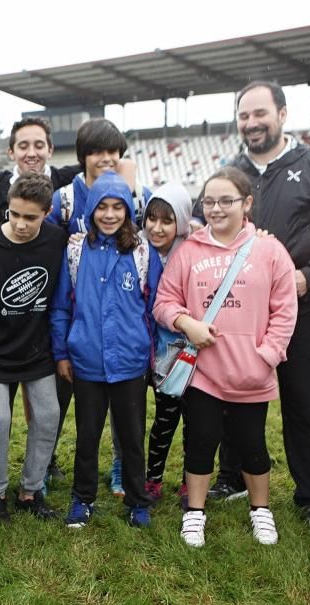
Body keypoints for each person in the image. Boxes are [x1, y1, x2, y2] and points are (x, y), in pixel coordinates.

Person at [208, 81, 310, 536]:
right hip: (239, 311)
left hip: (298, 309)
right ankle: (232, 475)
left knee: (305, 404)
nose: (251, 124)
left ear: (283, 114)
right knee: (231, 395)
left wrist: (309, 276)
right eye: (243, 116)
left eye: (260, 114)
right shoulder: (230, 170)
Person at [154, 167, 298, 547]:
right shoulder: (189, 251)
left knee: (252, 444)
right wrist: (187, 323)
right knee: (200, 440)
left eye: (226, 201)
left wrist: (266, 356)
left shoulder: (270, 251)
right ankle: (195, 513)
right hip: (204, 373)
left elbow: (285, 309)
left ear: (246, 203)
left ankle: (261, 511)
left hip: (252, 374)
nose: (216, 209)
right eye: (209, 201)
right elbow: (164, 302)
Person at [51, 172, 163, 528]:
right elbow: (61, 308)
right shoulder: (75, 249)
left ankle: (137, 500)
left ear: (129, 211)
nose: (110, 215)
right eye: (103, 207)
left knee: (131, 436)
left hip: (130, 362)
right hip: (86, 361)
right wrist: (62, 354)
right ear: (91, 209)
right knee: (87, 436)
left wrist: (151, 356)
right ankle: (82, 499)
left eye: (118, 207)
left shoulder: (143, 251)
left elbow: (154, 306)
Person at [0, 172, 65, 521]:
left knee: (49, 415)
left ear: (47, 212)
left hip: (36, 347)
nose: (21, 224)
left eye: (30, 217)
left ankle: (30, 491)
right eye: (14, 214)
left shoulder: (56, 239)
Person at [140, 183, 194, 501]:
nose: (156, 228)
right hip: (160, 354)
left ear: (183, 222)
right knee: (164, 419)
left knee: (194, 421)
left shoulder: (194, 251)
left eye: (167, 221)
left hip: (193, 351)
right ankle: (153, 479)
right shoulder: (138, 249)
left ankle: (191, 480)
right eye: (151, 218)